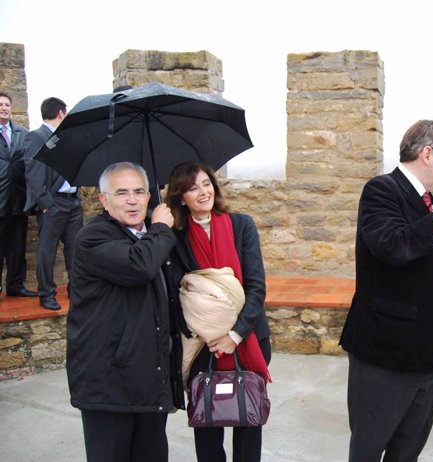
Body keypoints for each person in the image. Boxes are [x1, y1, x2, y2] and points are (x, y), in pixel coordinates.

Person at [339, 119, 433, 461]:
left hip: (429, 344)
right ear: (427, 153)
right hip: (388, 349)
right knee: (370, 441)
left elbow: (426, 267)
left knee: (410, 442)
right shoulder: (382, 190)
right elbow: (392, 247)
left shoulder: (425, 199)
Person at [66, 162, 184, 462]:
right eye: (121, 193)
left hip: (148, 378)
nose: (132, 200)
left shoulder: (149, 237)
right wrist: (160, 228)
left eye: (139, 191)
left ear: (149, 197)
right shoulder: (93, 238)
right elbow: (138, 266)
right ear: (104, 200)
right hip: (109, 384)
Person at [165, 161, 271, 462]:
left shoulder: (242, 225)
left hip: (248, 338)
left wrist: (235, 334)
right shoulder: (174, 238)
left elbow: (256, 286)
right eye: (191, 188)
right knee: (207, 421)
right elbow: (180, 293)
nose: (202, 192)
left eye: (206, 183)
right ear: (179, 198)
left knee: (248, 418)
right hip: (203, 345)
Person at [24, 97, 83, 310]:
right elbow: (32, 171)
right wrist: (46, 202)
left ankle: (75, 290)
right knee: (47, 252)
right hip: (53, 203)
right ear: (60, 112)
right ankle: (46, 293)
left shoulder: (64, 137)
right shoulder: (36, 137)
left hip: (73, 203)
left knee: (74, 250)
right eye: (65, 113)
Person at [0, 91, 36, 297]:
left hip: (18, 200)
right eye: (0, 105)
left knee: (16, 248)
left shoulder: (22, 133)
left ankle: (15, 285)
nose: (4, 108)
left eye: (7, 105)